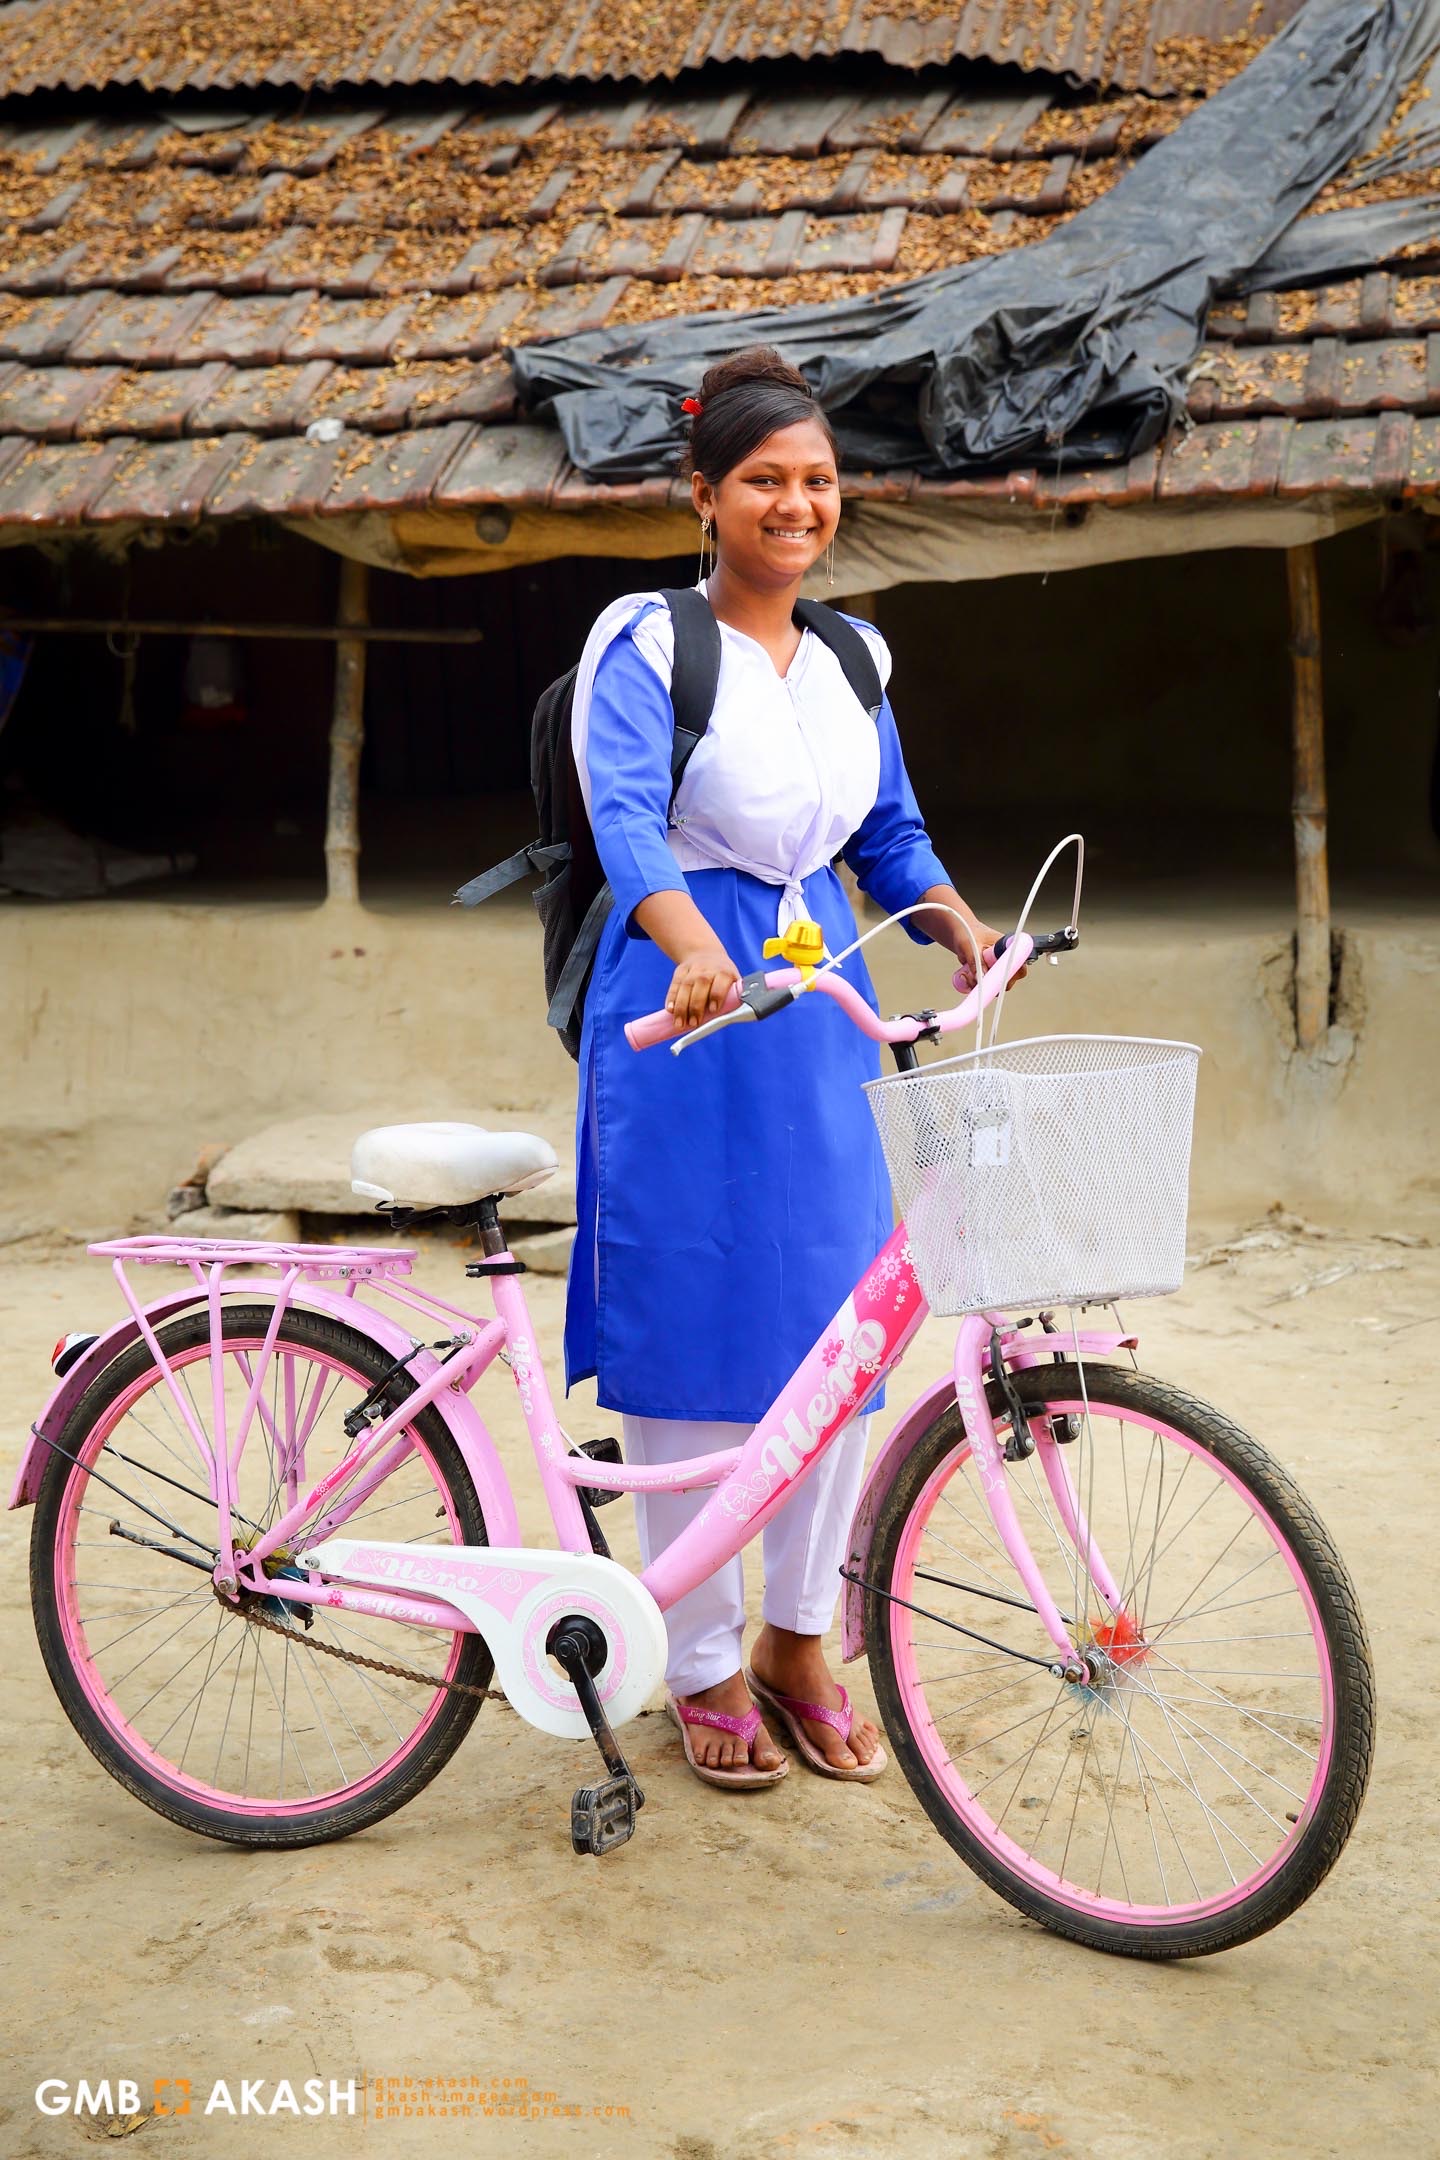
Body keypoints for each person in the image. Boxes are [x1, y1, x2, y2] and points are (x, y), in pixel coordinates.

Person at [564, 347, 1011, 1788]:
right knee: (693, 1322)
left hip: (822, 998)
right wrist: (696, 945)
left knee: (840, 1330)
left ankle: (798, 1636)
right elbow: (624, 817)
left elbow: (890, 833)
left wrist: (953, 919)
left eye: (818, 480)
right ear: (705, 494)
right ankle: (696, 1655)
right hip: (686, 1003)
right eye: (765, 480)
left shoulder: (854, 659)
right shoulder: (646, 644)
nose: (797, 504)